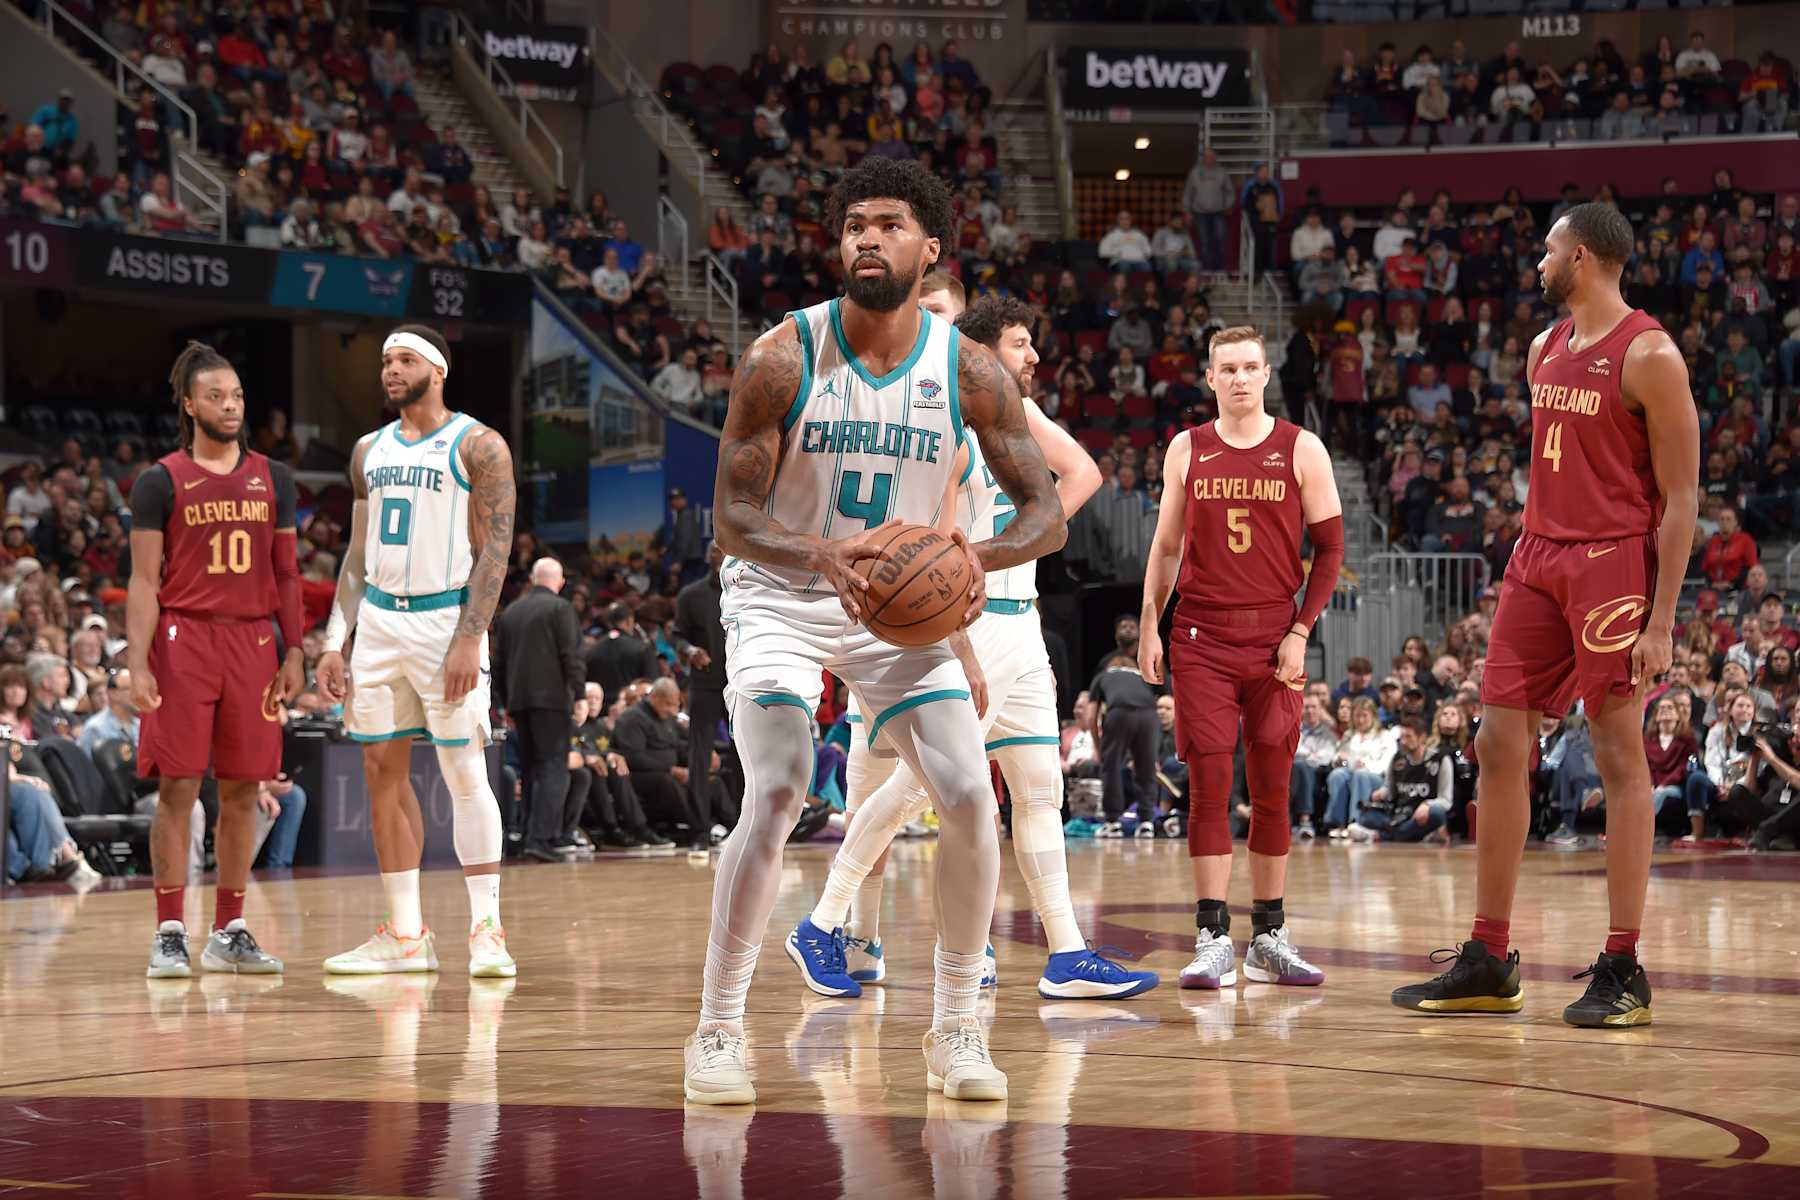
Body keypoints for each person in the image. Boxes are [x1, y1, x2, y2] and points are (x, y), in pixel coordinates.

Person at [683, 157, 1064, 1107]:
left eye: (889, 224)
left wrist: (975, 559)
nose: (867, 238)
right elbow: (730, 517)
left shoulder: (967, 370)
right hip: (782, 591)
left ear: (928, 250)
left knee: (973, 796)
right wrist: (819, 556)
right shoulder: (783, 355)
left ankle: (955, 1029)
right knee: (775, 790)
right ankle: (720, 1027)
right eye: (855, 223)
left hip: (897, 607)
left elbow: (1045, 512)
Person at [791, 294, 1152, 1001]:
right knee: (913, 791)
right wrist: (960, 643)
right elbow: (937, 547)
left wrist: (1016, 536)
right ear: (986, 352)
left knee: (1040, 792)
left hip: (1025, 623)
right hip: (975, 625)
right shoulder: (950, 427)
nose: (1035, 358)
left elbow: (1083, 474)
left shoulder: (1025, 418)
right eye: (1022, 345)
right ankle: (823, 921)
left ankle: (1067, 954)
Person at [1394, 203, 1698, 1028]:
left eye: (1551, 249)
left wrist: (1662, 619)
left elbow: (1681, 498)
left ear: (1589, 258)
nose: (1538, 261)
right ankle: (1490, 957)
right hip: (1537, 555)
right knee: (1496, 739)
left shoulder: (1651, 354)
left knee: (1616, 747)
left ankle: (1624, 964)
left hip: (1611, 564)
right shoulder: (1542, 349)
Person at [1139, 325, 1346, 990]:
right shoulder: (1186, 449)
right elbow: (1167, 547)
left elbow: (1333, 551)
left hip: (1275, 638)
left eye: (1249, 367)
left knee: (1274, 786)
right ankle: (1212, 936)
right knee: (1208, 785)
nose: (1238, 378)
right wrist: (1151, 624)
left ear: (1265, 375)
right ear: (1209, 377)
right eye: (1226, 368)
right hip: (1200, 635)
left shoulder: (1300, 448)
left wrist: (1303, 629)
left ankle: (1271, 934)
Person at [314, 325, 518, 979]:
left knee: (464, 774)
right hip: (377, 622)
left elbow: (496, 549)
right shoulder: (367, 450)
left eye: (404, 360)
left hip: (443, 620)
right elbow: (354, 551)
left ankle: (487, 929)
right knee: (381, 773)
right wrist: (334, 638)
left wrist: (470, 636)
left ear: (438, 369)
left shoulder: (477, 444)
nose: (390, 370)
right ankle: (406, 934)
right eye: (385, 361)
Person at [128, 342, 305, 977]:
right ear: (189, 404)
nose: (229, 406)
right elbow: (144, 582)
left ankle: (229, 928)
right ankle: (169, 930)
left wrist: (295, 651)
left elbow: (286, 574)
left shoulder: (273, 477)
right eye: (215, 397)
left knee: (243, 788)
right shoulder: (160, 479)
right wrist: (139, 662)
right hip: (184, 639)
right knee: (178, 787)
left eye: (235, 396)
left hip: (255, 642)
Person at [494, 557, 584, 863]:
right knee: (553, 768)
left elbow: (500, 662)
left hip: (519, 702)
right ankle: (541, 839)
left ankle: (527, 835)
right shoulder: (561, 608)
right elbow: (570, 655)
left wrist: (503, 702)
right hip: (552, 700)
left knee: (532, 769)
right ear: (558, 581)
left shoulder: (511, 612)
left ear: (533, 579)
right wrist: (580, 694)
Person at [675, 543, 729, 838]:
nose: (718, 556)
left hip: (739, 682)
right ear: (708, 558)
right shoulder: (691, 595)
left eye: (724, 551)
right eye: (714, 552)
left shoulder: (746, 590)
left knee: (746, 755)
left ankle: (740, 823)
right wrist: (690, 649)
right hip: (705, 684)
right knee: (699, 756)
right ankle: (699, 829)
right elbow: (678, 635)